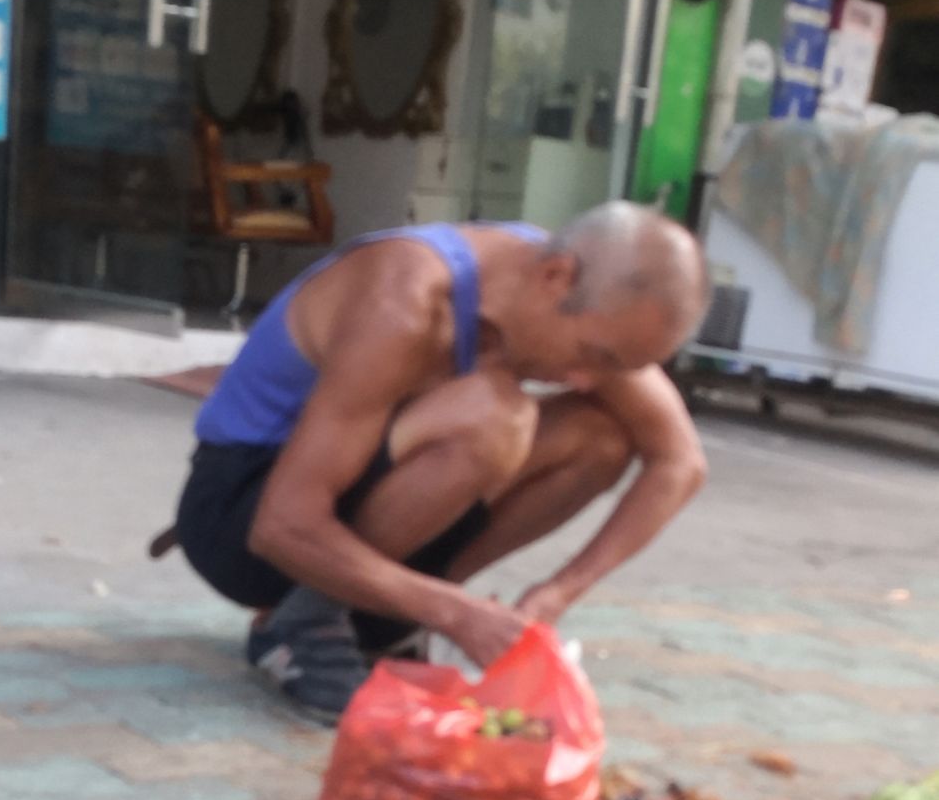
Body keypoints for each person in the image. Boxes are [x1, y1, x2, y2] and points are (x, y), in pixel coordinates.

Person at [172, 205, 709, 720]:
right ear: (555, 277)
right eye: (598, 356)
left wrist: (559, 591)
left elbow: (680, 462)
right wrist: (454, 612)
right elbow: (280, 526)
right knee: (495, 415)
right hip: (240, 518)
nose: (590, 379)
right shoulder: (405, 301)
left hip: (342, 516)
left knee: (600, 435)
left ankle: (385, 618)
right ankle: (301, 621)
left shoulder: (584, 296)